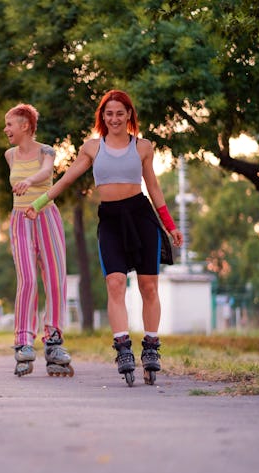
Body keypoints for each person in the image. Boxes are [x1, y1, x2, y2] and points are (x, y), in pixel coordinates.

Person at [26, 89, 183, 386]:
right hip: (110, 219)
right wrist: (37, 204)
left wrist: (170, 225)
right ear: (102, 117)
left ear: (129, 116)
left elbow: (155, 189)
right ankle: (123, 348)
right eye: (109, 113)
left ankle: (150, 348)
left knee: (149, 286)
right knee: (115, 282)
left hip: (141, 217)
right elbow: (68, 177)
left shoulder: (143, 147)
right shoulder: (92, 148)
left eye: (120, 113)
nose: (114, 118)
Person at [3, 103, 74, 378]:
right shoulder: (9, 155)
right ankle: (23, 340)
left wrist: (29, 180)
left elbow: (46, 172)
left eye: (10, 124)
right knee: (28, 279)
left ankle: (54, 340)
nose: (6, 129)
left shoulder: (47, 150)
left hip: (46, 216)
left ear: (25, 126)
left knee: (55, 278)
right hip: (20, 220)